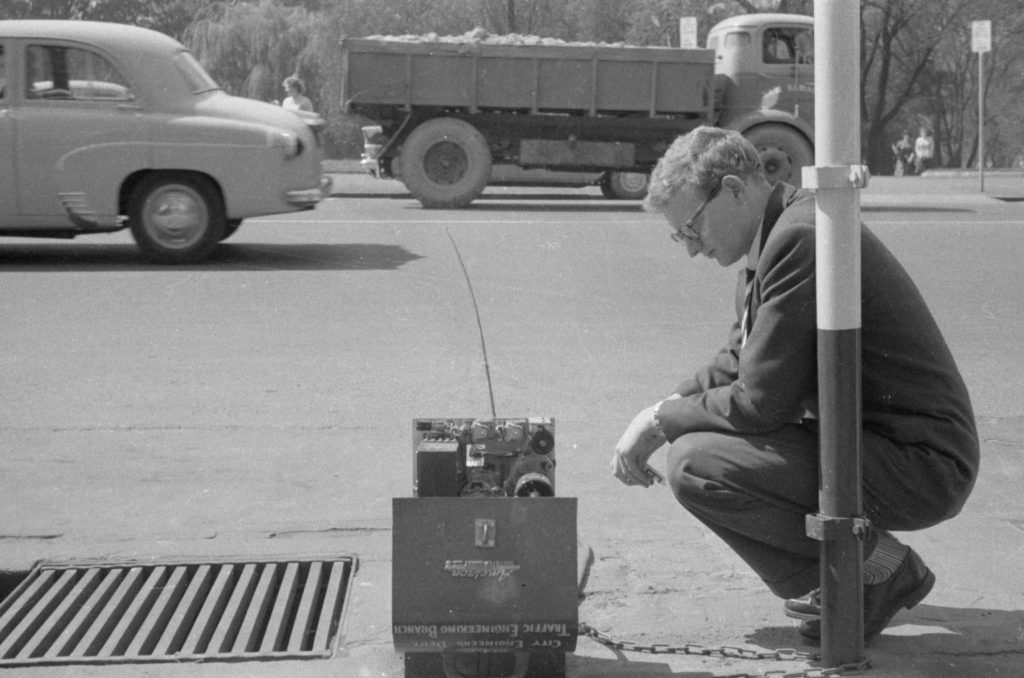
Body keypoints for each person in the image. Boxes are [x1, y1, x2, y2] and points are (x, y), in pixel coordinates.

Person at [611, 126, 978, 645]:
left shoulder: (798, 237)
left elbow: (760, 402)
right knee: (696, 452)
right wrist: (664, 407)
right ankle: (860, 577)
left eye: (691, 229)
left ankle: (874, 571)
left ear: (735, 189)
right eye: (681, 238)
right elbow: (739, 359)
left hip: (922, 465)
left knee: (698, 464)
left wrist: (659, 421)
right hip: (889, 449)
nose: (692, 250)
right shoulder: (782, 232)